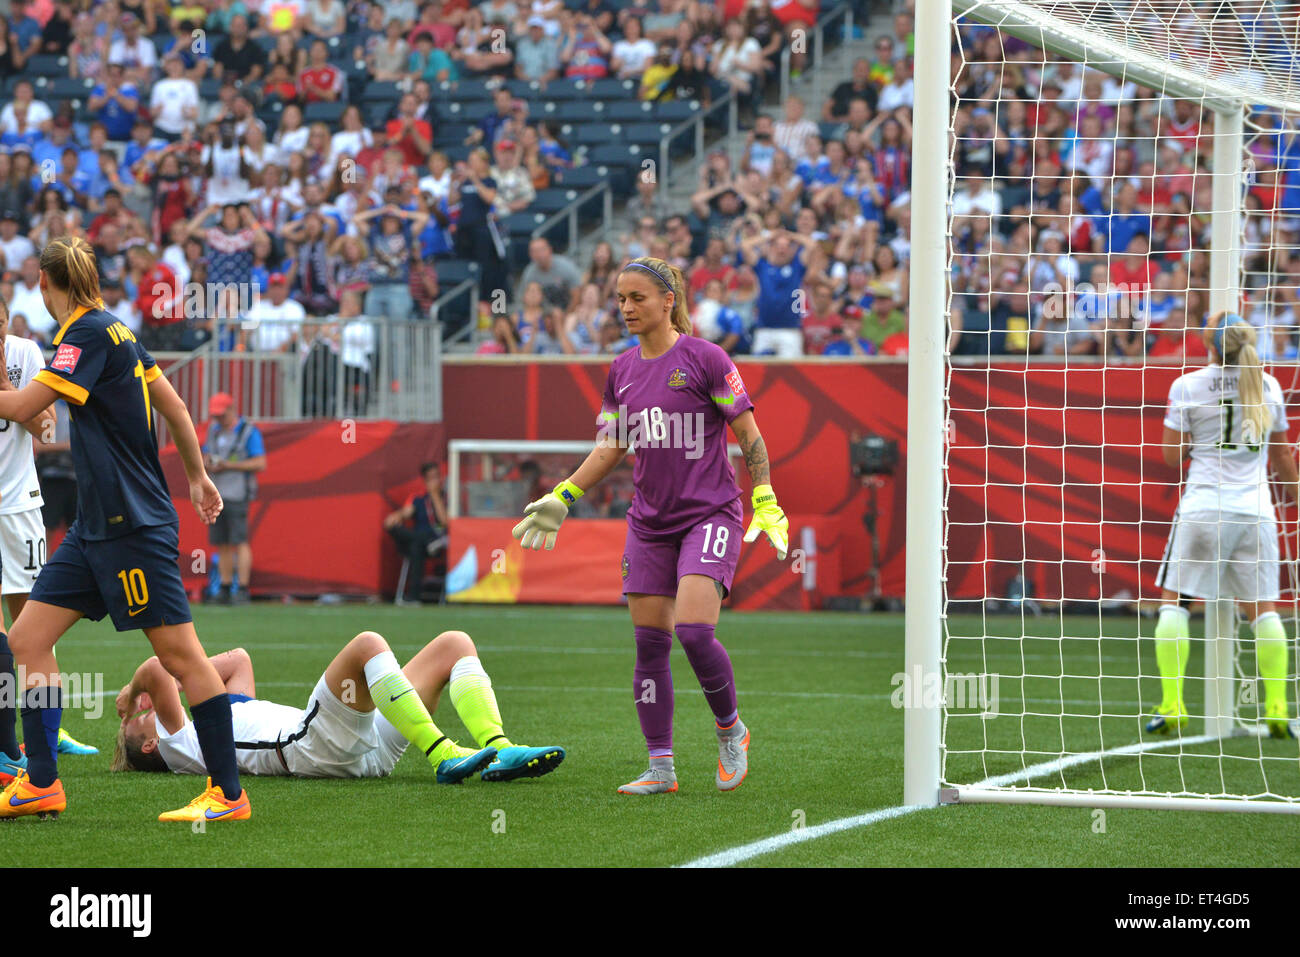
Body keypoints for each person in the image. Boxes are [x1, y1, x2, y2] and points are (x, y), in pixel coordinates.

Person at [511, 255, 789, 795]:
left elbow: (748, 434)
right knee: (649, 645)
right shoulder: (621, 370)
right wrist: (564, 494)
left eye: (637, 298)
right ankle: (660, 767)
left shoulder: (707, 359)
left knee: (693, 631)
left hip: (709, 514)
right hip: (649, 523)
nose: (626, 308)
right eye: (620, 299)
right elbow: (612, 444)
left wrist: (763, 492)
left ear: (669, 301)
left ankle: (731, 731)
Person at [0, 236, 252, 823]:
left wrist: (197, 479)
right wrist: (197, 478)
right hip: (97, 529)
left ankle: (229, 795)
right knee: (29, 639)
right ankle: (40, 783)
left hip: (131, 527)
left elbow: (20, 409)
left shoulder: (83, 335)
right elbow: (178, 409)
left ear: (45, 284)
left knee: (182, 657)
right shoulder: (120, 331)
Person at [112, 630, 564, 783]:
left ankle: (498, 746)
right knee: (367, 645)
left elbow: (238, 661)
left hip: (356, 751)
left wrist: (188, 680)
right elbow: (156, 666)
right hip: (307, 748)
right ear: (150, 744)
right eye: (140, 719)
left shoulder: (218, 714)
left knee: (454, 644)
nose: (146, 707)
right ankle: (443, 754)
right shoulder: (177, 744)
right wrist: (131, 693)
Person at [1151, 312, 1297, 739]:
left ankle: (1173, 704)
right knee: (1263, 608)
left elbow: (1170, 456)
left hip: (1204, 508)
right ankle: (1276, 706)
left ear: (1210, 346)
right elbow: (1283, 458)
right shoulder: (1268, 385)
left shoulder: (1188, 386)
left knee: (1175, 600)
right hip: (1256, 511)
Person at [202, 392, 266, 606]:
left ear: (232, 409)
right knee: (222, 543)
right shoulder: (213, 431)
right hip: (216, 493)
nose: (218, 419)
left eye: (221, 415)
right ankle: (225, 587)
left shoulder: (248, 431)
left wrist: (229, 466)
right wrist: (208, 463)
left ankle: (243, 589)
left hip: (238, 494)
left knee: (240, 541)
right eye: (215, 415)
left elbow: (260, 463)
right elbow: (203, 456)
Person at [384, 462, 448, 606]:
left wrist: (435, 495)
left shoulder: (445, 498)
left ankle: (413, 597)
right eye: (431, 478)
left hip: (436, 540)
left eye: (437, 477)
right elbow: (406, 512)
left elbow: (444, 522)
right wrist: (396, 517)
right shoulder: (418, 498)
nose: (435, 481)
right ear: (425, 481)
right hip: (420, 539)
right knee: (395, 528)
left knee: (416, 547)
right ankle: (413, 597)